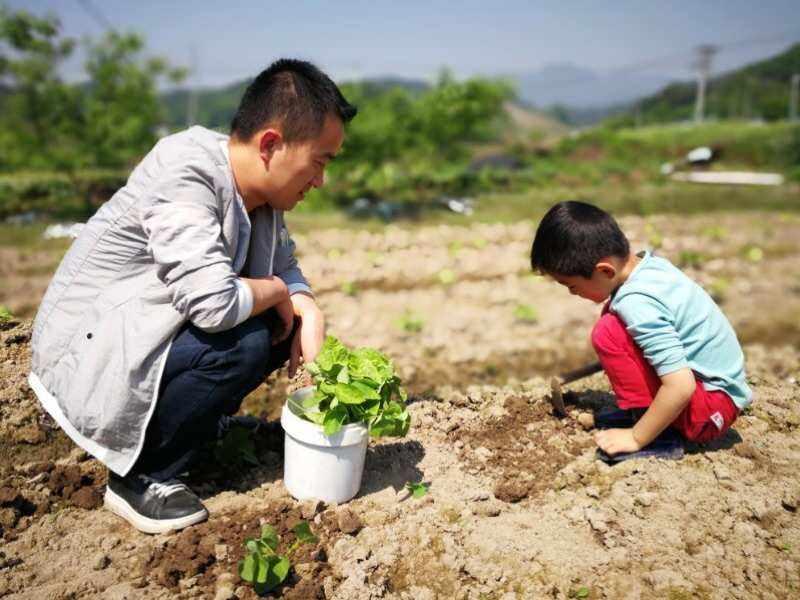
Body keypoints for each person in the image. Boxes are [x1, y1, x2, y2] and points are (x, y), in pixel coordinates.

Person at [28, 58, 357, 534]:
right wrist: (282, 291)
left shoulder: (262, 194)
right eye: (319, 162)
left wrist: (305, 304)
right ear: (271, 144)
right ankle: (140, 476)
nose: (320, 181)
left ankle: (192, 428)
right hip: (90, 351)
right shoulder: (186, 170)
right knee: (244, 338)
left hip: (150, 333)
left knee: (280, 325)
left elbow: (283, 263)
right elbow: (213, 305)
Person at [530, 201, 752, 458]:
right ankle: (648, 412)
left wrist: (636, 437)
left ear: (604, 270)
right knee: (614, 319)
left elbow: (681, 386)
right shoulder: (649, 267)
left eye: (571, 286)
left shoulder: (638, 302)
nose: (573, 293)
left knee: (609, 332)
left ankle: (657, 432)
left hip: (709, 411)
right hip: (718, 393)